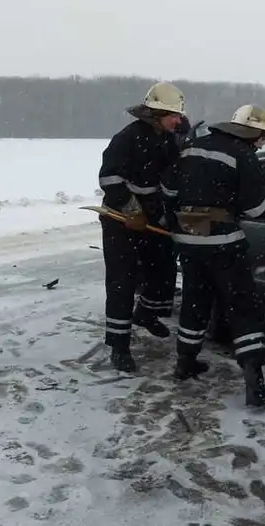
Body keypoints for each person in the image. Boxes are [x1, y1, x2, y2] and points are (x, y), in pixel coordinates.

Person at [162, 104, 265, 408]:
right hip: (224, 243)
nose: (260, 144)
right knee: (243, 306)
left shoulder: (192, 146)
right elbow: (256, 209)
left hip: (188, 240)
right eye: (261, 138)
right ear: (253, 132)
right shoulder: (243, 156)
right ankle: (254, 386)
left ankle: (185, 362)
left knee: (196, 300)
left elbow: (167, 189)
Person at [97, 82, 184, 371]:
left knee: (162, 271)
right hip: (121, 221)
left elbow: (172, 177)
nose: (178, 120)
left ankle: (146, 314)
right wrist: (132, 210)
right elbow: (109, 179)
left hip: (152, 221)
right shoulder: (127, 138)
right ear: (156, 113)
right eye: (174, 115)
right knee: (122, 282)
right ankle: (119, 346)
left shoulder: (169, 139)